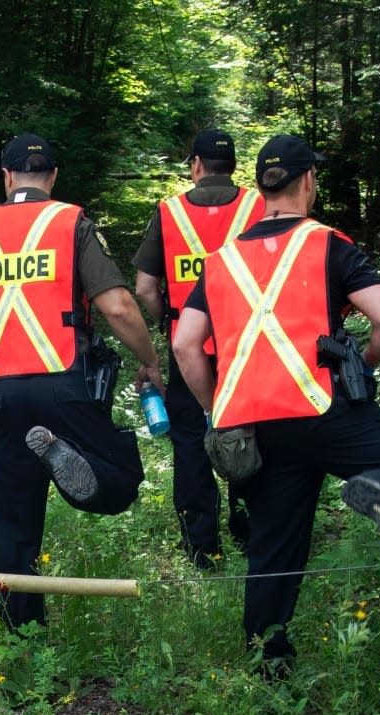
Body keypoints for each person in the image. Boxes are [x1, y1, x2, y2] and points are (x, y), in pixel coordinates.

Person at [173, 134, 380, 673]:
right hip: (325, 412)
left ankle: (267, 660)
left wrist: (215, 408)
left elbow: (185, 343)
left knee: (273, 547)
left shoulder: (221, 259)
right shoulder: (328, 244)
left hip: (255, 427)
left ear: (261, 188)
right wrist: (364, 364)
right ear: (308, 183)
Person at [0, 132, 163, 630]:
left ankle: (22, 628)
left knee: (12, 521)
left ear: (6, 176)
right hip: (65, 385)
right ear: (53, 177)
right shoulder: (70, 222)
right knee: (120, 477)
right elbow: (119, 306)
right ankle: (76, 467)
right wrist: (149, 360)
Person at [132, 128, 263, 568]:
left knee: (190, 440)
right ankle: (249, 531)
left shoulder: (169, 213)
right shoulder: (257, 206)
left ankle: (200, 546)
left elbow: (146, 287)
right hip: (246, 344)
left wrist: (169, 322)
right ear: (232, 166)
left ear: (195, 166)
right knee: (249, 432)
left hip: (186, 345)